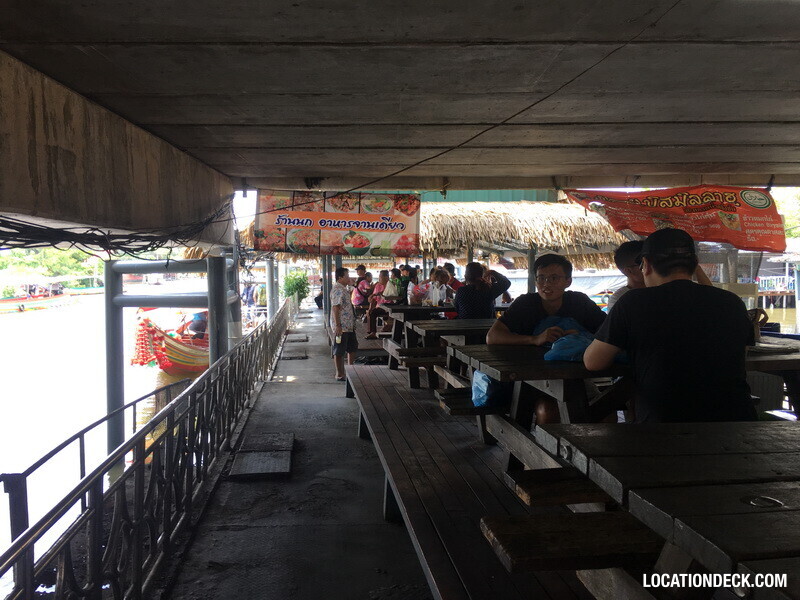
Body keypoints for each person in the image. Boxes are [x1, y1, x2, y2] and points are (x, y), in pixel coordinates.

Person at [584, 228, 756, 423]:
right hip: (736, 424)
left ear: (646, 265)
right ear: (694, 265)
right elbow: (741, 353)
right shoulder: (732, 302)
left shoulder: (632, 302)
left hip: (664, 430)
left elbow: (593, 362)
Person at [486, 254, 606, 345]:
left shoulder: (580, 302)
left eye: (554, 278)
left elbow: (608, 329)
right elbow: (492, 337)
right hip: (528, 369)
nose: (546, 284)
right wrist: (535, 339)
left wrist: (583, 336)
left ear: (568, 282)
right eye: (541, 278)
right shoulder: (525, 304)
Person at [330, 267, 358, 381]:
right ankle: (339, 373)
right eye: (346, 276)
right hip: (342, 326)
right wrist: (338, 325)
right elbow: (335, 308)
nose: (348, 278)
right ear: (340, 277)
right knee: (339, 349)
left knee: (352, 347)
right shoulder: (338, 289)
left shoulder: (344, 288)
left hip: (349, 325)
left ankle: (351, 369)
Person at [607, 241, 645, 311]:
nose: (650, 267)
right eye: (643, 264)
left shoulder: (660, 289)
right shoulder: (619, 299)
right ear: (629, 271)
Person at [366, 270, 392, 339]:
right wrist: (370, 308)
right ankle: (373, 332)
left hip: (390, 305)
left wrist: (378, 294)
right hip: (380, 306)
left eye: (380, 277)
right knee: (372, 312)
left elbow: (389, 294)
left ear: (386, 277)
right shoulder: (378, 285)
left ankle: (387, 327)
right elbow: (374, 298)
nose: (379, 278)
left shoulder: (391, 284)